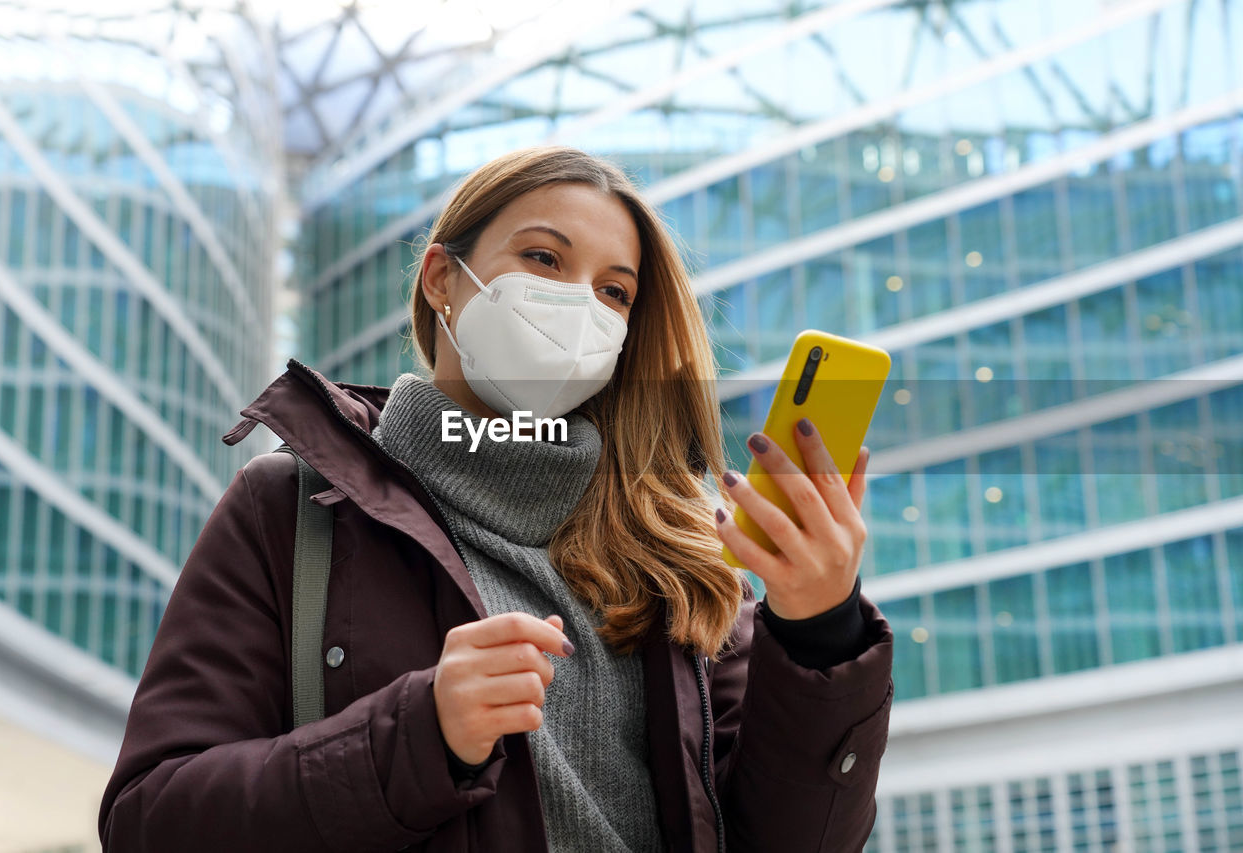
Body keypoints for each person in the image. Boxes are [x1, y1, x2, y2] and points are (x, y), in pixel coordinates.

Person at [98, 146, 894, 852]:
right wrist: (419, 734)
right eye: (545, 259)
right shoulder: (293, 507)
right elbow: (150, 818)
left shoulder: (677, 555)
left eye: (614, 292)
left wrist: (821, 627)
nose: (581, 305)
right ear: (443, 278)